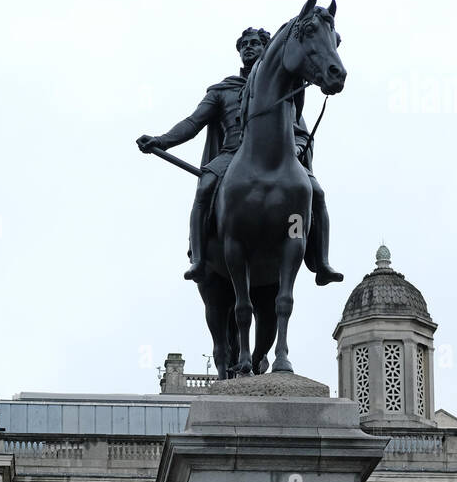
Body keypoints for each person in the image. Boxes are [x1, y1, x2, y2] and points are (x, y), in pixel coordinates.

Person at [137, 25, 341, 287]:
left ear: (266, 48)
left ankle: (321, 262)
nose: (248, 47)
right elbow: (193, 122)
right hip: (231, 156)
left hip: (281, 159)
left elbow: (300, 132)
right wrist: (162, 140)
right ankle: (198, 258)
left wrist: (299, 149)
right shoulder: (223, 90)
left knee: (316, 193)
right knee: (206, 186)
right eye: (244, 44)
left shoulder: (285, 92)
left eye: (255, 43)